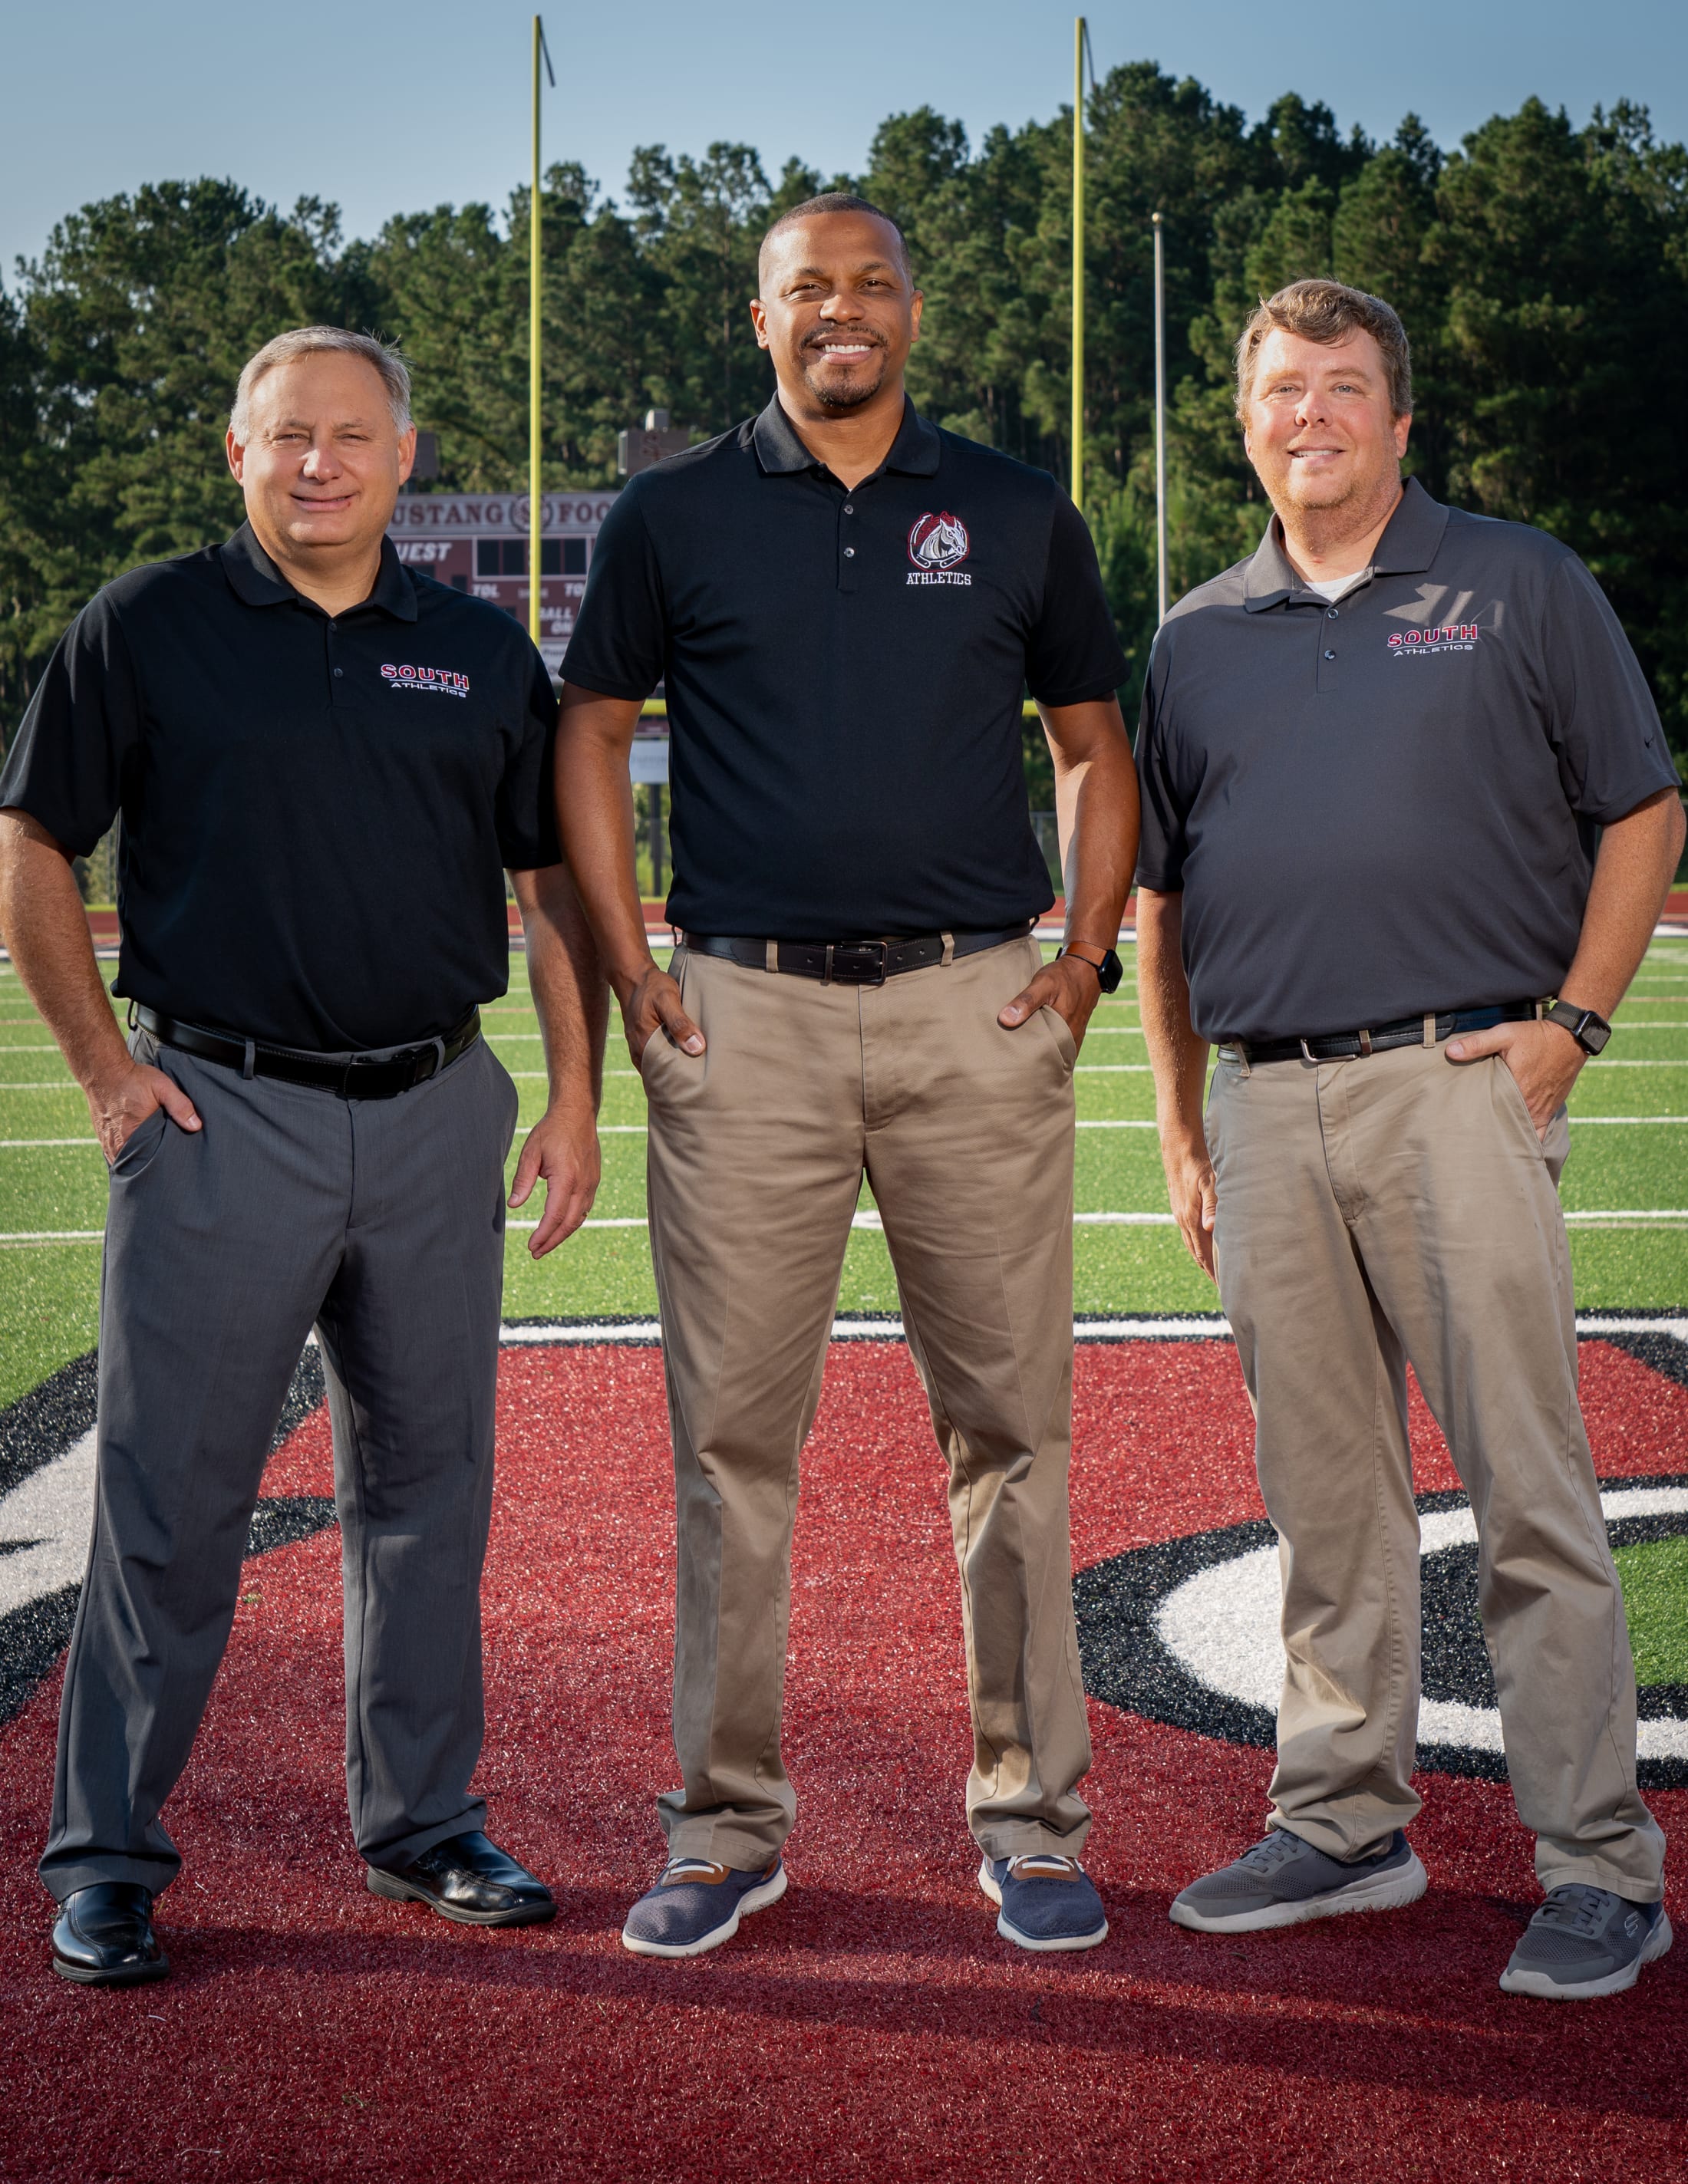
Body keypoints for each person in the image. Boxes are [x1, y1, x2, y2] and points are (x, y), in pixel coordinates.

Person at [556, 194, 1139, 1958]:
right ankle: (726, 1824)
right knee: (733, 1444)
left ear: (910, 309)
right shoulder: (669, 514)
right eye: (806, 285)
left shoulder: (1017, 507)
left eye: (871, 280)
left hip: (975, 1009)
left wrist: (1085, 956)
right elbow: (589, 732)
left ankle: (1030, 1818)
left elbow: (1092, 747)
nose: (841, 309)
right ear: (758, 319)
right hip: (749, 1018)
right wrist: (633, 961)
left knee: (1009, 1433)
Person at [0, 326, 606, 1987]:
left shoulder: (479, 651)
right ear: (236, 450)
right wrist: (109, 1077)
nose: (320, 462)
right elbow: (34, 838)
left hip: (433, 1109)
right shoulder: (147, 626)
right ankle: (110, 1855)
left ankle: (423, 1822)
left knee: (425, 1495)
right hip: (222, 1112)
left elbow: (550, 889)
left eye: (351, 435)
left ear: (407, 456)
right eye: (289, 436)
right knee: (169, 1509)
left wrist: (568, 1096)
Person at [1136, 278, 1683, 2000]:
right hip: (1261, 1094)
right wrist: (1179, 1122)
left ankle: (1598, 1858)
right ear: (1243, 419)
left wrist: (1569, 1029)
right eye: (1280, 388)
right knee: (1322, 1498)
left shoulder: (1513, 579)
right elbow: (1161, 898)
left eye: (1343, 387)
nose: (1310, 414)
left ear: (1394, 417)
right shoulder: (1191, 634)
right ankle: (1343, 1818)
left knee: (1526, 1485)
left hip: (1454, 1079)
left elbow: (1641, 806)